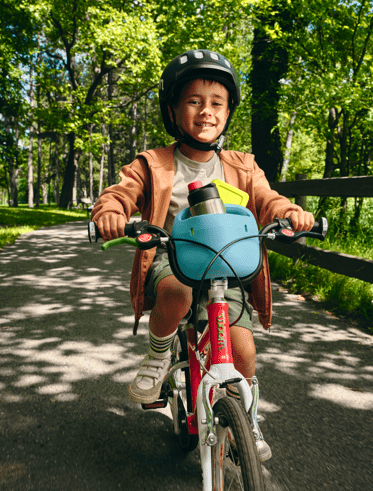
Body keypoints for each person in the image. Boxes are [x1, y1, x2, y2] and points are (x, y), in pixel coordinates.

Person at [91, 49, 314, 460]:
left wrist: (288, 212)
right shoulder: (153, 163)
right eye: (194, 101)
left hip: (226, 265)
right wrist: (110, 212)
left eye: (217, 103)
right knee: (176, 291)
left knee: (244, 352)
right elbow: (120, 193)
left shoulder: (243, 166)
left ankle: (247, 417)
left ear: (229, 112)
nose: (206, 112)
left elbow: (266, 199)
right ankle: (159, 354)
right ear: (173, 110)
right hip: (173, 258)